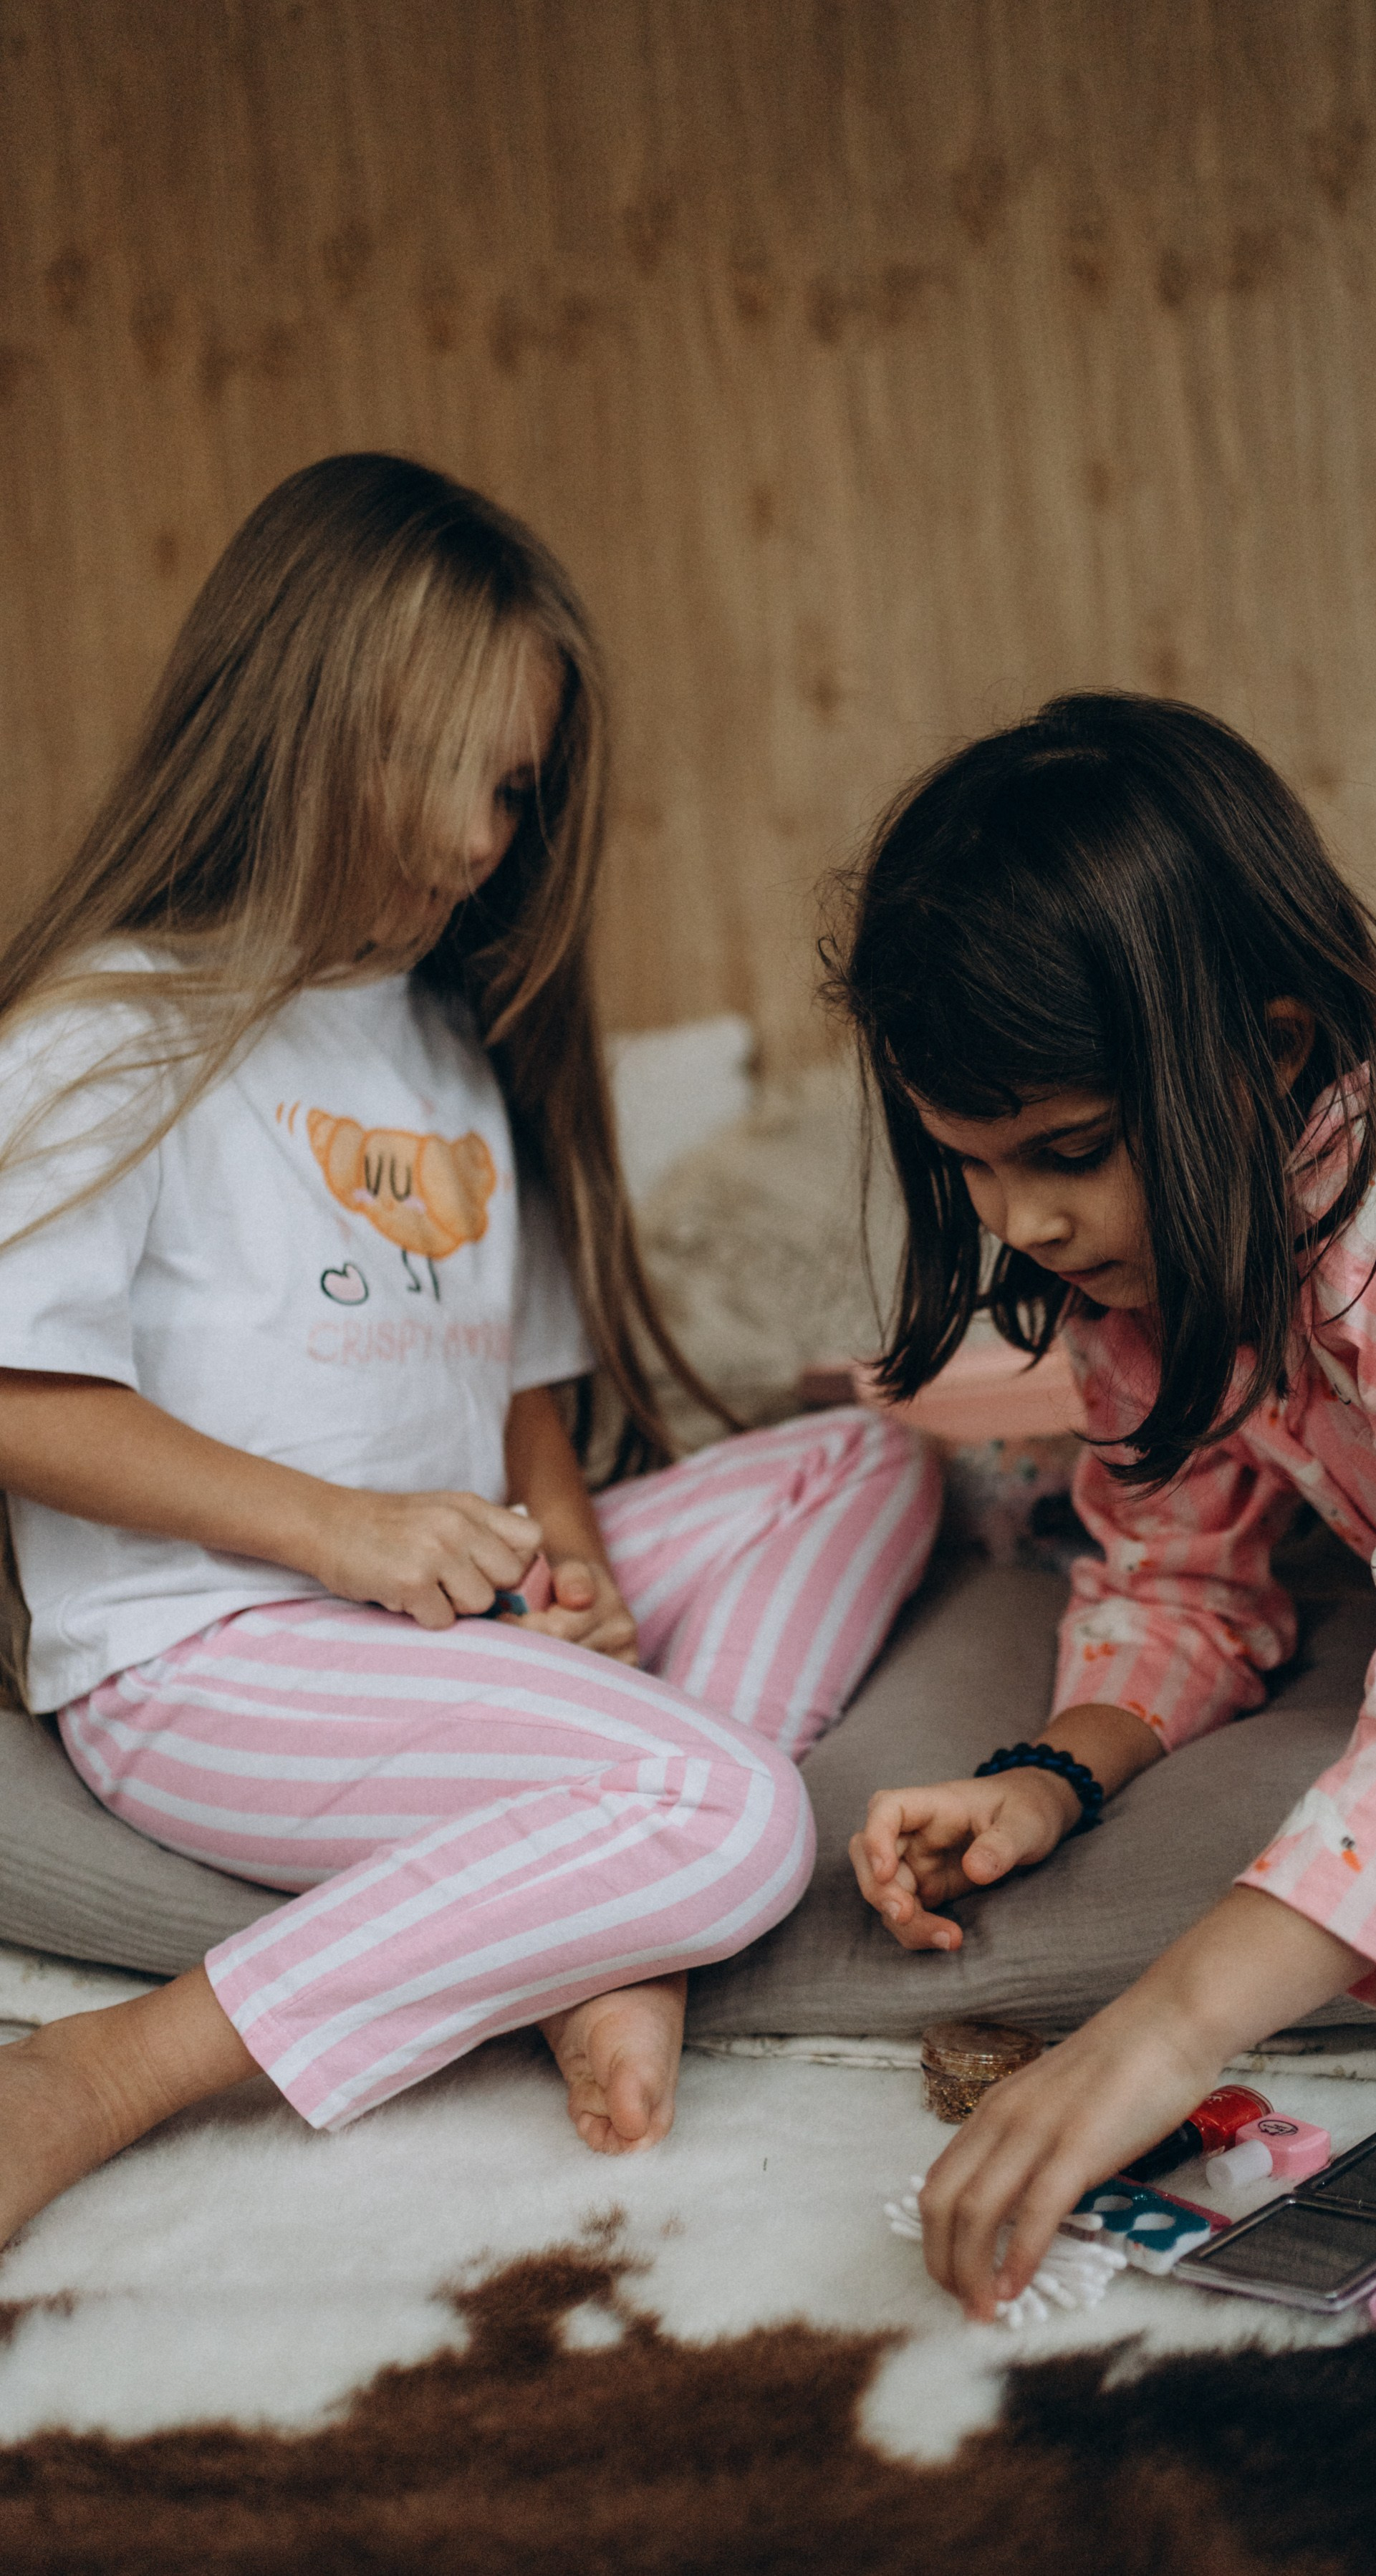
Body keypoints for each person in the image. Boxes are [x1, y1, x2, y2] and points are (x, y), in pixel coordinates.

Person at [0, 453, 938, 2251]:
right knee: (745, 1821)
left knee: (876, 1453)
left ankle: (602, 1887)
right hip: (212, 1650)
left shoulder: (453, 1041)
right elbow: (18, 1391)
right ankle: (113, 2064)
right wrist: (333, 1530)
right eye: (443, 769)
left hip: (447, 1613)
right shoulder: (111, 1029)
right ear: (288, 723)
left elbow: (518, 1393)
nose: (477, 838)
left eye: (512, 787)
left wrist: (571, 1557)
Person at [826, 690, 1376, 2317]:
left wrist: (1158, 2031)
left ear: (1275, 1043)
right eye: (966, 1166)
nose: (1017, 1219)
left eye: (1064, 1149)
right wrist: (1047, 1774)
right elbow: (1174, 1568)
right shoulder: (1134, 1257)